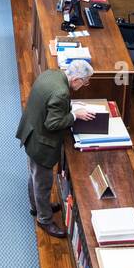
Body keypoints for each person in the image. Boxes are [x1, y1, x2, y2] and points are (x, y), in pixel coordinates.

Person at [15, 61, 95, 238]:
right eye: (85, 82)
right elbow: (52, 123)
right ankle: (44, 219)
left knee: (35, 175)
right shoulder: (61, 92)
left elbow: (49, 106)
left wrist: (68, 109)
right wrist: (74, 115)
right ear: (75, 79)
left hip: (31, 132)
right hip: (41, 143)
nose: (84, 85)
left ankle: (36, 206)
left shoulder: (52, 74)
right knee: (43, 183)